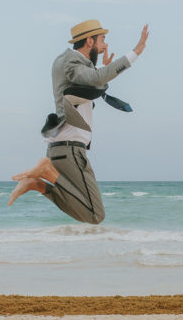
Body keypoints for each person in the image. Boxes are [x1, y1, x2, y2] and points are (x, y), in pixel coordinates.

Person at [8, 20, 149, 224]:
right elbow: (95, 78)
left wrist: (102, 67)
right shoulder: (70, 62)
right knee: (95, 214)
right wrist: (135, 52)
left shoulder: (73, 65)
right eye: (102, 40)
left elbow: (89, 83)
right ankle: (46, 172)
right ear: (89, 41)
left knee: (92, 213)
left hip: (67, 150)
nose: (104, 47)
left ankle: (37, 184)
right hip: (70, 149)